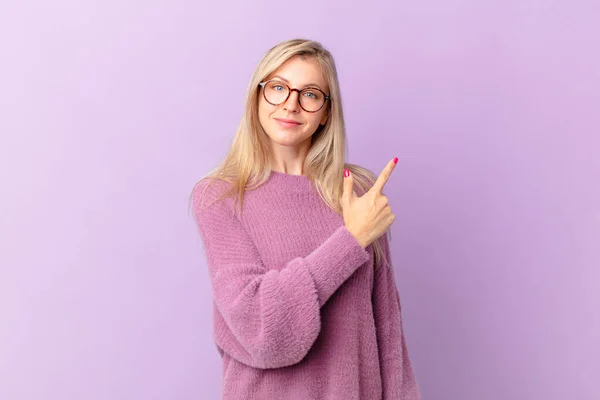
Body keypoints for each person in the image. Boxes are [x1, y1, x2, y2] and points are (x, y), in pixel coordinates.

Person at [190, 38, 421, 400]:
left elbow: (388, 330)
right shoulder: (220, 196)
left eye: (310, 94)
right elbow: (261, 329)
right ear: (257, 96)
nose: (291, 104)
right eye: (278, 88)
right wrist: (350, 241)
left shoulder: (356, 189)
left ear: (327, 111)